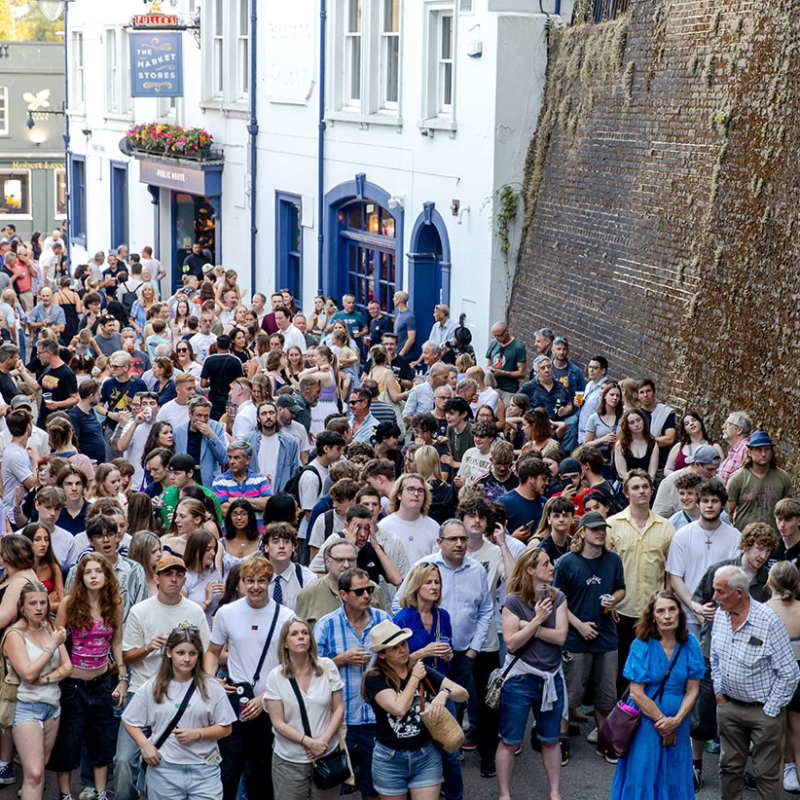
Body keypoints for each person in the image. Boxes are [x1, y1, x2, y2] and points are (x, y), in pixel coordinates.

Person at [688, 522, 776, 791]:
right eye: (758, 548)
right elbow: (696, 598)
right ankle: (694, 765)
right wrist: (702, 609)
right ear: (746, 545)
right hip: (712, 650)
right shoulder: (722, 569)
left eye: (768, 550)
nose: (762, 555)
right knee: (702, 715)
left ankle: (734, 771)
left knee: (739, 720)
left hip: (748, 658)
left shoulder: (767, 580)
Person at [117, 555, 211, 800]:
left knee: (178, 762)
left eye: (179, 574)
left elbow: (207, 653)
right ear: (156, 579)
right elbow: (126, 657)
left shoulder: (194, 611)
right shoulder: (141, 610)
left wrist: (208, 685)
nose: (174, 579)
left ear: (184, 579)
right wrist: (148, 647)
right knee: (125, 760)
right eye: (168, 574)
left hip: (182, 692)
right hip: (142, 689)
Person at [205, 555, 295, 800]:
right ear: (241, 582)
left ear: (269, 581)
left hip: (272, 703)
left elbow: (292, 664)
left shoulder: (286, 616)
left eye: (261, 581)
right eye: (250, 581)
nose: (256, 586)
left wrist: (265, 696)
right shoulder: (226, 613)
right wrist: (211, 679)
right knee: (229, 770)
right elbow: (213, 653)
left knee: (263, 773)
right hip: (235, 701)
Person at [711, 565, 800, 799]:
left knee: (766, 775)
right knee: (728, 770)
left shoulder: (768, 620)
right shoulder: (721, 614)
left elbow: (790, 673)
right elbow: (715, 656)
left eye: (720, 591)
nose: (714, 597)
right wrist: (719, 690)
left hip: (762, 712)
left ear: (738, 592)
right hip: (729, 708)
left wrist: (770, 709)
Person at [608, 590, 704, 800]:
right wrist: (663, 723)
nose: (667, 615)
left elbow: (692, 688)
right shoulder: (642, 644)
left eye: (672, 609)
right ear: (653, 616)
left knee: (675, 776)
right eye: (661, 611)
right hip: (646, 721)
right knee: (642, 775)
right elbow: (637, 693)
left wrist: (676, 720)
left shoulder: (691, 644)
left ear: (680, 613)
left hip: (679, 721)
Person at [121, 627, 235, 800]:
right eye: (180, 653)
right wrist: (144, 745)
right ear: (169, 652)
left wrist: (198, 734)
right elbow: (129, 720)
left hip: (204, 770)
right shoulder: (153, 686)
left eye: (192, 653)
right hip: (164, 770)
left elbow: (226, 727)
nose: (187, 659)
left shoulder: (212, 687)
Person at [363, 619, 468, 800]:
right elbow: (399, 708)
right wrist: (414, 678)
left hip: (425, 755)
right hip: (390, 759)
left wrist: (445, 694)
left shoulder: (421, 670)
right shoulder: (375, 678)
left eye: (403, 643)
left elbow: (463, 694)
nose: (402, 649)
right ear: (381, 654)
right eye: (394, 648)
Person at [49, 554, 126, 800]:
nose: (94, 576)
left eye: (98, 571)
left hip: (102, 682)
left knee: (101, 740)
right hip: (72, 685)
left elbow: (117, 641)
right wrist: (66, 664)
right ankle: (65, 794)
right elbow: (57, 637)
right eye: (88, 572)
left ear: (107, 576)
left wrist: (122, 674)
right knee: (68, 740)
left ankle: (101, 792)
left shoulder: (114, 602)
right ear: (81, 577)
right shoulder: (70, 603)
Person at [495, 548, 568, 800]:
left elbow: (560, 637)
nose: (551, 567)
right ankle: (505, 794)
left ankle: (555, 792)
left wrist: (529, 627)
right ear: (530, 570)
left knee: (551, 739)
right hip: (520, 679)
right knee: (510, 741)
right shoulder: (513, 601)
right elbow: (512, 643)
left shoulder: (558, 597)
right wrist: (536, 621)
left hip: (551, 678)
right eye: (545, 564)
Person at [553, 512, 625, 759]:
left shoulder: (613, 560)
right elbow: (557, 600)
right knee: (569, 696)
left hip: (606, 638)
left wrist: (614, 599)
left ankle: (605, 741)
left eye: (603, 529)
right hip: (575, 639)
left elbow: (621, 589)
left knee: (606, 696)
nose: (600, 533)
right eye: (594, 529)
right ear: (582, 531)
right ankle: (561, 742)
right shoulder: (566, 563)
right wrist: (579, 625)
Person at [607, 470, 675, 694]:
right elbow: (604, 566)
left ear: (652, 490)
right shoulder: (613, 525)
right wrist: (611, 601)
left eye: (645, 486)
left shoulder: (666, 527)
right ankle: (623, 720)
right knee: (622, 670)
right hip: (622, 610)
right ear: (626, 493)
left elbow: (671, 571)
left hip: (653, 610)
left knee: (654, 668)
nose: (641, 491)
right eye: (635, 487)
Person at [263, 618, 345, 800]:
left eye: (304, 633)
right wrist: (309, 742)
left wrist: (322, 741)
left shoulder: (327, 667)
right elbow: (278, 722)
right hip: (289, 759)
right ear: (285, 642)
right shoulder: (276, 676)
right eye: (294, 634)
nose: (300, 637)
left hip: (326, 753)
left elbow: (338, 707)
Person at [4, 581, 72, 800]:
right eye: (32, 603)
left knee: (40, 768)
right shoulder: (15, 634)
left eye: (43, 602)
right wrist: (51, 646)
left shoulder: (50, 627)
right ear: (22, 606)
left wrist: (46, 680)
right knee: (33, 773)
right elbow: (28, 673)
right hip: (26, 707)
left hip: (52, 705)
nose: (39, 608)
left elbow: (67, 666)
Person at [665, 480, 740, 639]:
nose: (709, 505)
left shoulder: (735, 537)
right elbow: (675, 577)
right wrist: (694, 607)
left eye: (715, 501)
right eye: (705, 501)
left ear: (722, 505)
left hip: (725, 615)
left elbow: (737, 577)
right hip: (688, 616)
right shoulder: (682, 535)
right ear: (698, 503)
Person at [764, 561, 800, 792]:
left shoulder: (763, 610)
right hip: (799, 677)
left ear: (769, 582)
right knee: (799, 740)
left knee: (773, 743)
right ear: (797, 583)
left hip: (772, 680)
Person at [727, 430, 793, 533]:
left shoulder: (782, 477)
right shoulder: (738, 478)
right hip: (744, 537)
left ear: (772, 452)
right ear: (749, 452)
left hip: (775, 538)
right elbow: (728, 512)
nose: (763, 454)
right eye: (758, 450)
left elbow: (787, 510)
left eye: (767, 449)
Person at [393, 562, 453, 674]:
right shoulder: (402, 619)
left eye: (437, 582)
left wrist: (448, 654)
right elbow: (393, 662)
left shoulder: (443, 616)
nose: (434, 587)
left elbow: (449, 649)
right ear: (416, 587)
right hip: (411, 683)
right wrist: (424, 652)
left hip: (438, 682)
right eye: (428, 583)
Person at [378, 474, 439, 565]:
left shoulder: (434, 527)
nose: (416, 494)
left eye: (420, 490)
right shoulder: (384, 526)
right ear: (399, 495)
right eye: (411, 489)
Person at [172, 397, 229, 489]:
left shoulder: (216, 428)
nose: (202, 420)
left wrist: (211, 435)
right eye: (199, 415)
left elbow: (224, 459)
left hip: (207, 485)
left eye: (206, 416)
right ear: (190, 413)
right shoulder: (177, 431)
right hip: (184, 485)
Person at [264, 522, 316, 610]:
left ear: (293, 547)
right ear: (266, 547)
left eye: (286, 542)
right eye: (275, 542)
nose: (281, 546)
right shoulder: (257, 579)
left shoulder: (307, 578)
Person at [498, 457, 550, 537]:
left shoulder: (545, 503)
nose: (547, 483)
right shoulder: (504, 503)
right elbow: (491, 539)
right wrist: (513, 538)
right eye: (543, 479)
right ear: (531, 479)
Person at [636, 380, 677, 477]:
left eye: (648, 391)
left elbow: (669, 439)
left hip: (660, 464)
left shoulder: (665, 413)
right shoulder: (635, 416)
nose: (645, 395)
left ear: (654, 392)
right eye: (642, 392)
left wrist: (644, 440)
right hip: (639, 465)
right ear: (638, 396)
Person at [182, 530, 224, 624]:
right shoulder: (184, 577)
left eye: (214, 549)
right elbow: (183, 615)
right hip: (194, 632)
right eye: (208, 549)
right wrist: (207, 601)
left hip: (214, 630)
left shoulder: (215, 571)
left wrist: (226, 595)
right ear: (195, 550)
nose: (213, 553)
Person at [664, 411, 724, 475]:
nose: (691, 423)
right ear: (685, 431)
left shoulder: (715, 447)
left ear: (700, 422)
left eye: (694, 420)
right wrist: (681, 477)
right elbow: (667, 470)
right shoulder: (679, 447)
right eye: (687, 423)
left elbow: (720, 471)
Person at [200, 335, 244, 420]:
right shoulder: (236, 360)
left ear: (216, 345)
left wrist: (211, 382)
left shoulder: (209, 360)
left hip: (214, 399)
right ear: (230, 345)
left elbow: (203, 383)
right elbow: (241, 382)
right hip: (231, 398)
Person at [485, 321, 527, 405]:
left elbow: (522, 373)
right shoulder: (493, 345)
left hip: (508, 389)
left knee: (508, 415)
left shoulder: (518, 347)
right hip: (493, 388)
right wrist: (490, 369)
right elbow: (488, 365)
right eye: (494, 336)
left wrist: (503, 373)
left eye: (499, 335)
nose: (497, 338)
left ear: (506, 331)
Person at [614, 408, 658, 482]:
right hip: (626, 485)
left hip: (647, 484)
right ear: (627, 426)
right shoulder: (621, 445)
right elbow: (622, 473)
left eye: (638, 420)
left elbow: (652, 471)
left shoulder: (652, 444)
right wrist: (635, 485)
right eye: (632, 422)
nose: (636, 424)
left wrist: (646, 485)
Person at [718, 410, 752, 485]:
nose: (723, 427)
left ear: (739, 430)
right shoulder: (733, 450)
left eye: (728, 424)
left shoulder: (746, 449)